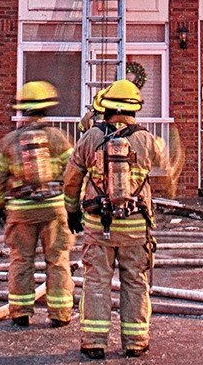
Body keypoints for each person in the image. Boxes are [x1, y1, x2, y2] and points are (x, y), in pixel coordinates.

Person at [62, 79, 163, 360]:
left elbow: (71, 179)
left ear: (106, 108)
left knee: (96, 282)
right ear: (134, 108)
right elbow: (166, 169)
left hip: (98, 225)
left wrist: (72, 210)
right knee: (135, 282)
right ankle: (136, 342)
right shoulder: (147, 140)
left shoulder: (91, 137)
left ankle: (94, 342)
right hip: (136, 226)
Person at [0, 80, 76, 329]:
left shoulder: (10, 141)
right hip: (53, 208)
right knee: (57, 260)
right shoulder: (58, 138)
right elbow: (73, 173)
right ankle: (60, 313)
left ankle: (20, 312)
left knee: (21, 260)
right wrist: (73, 206)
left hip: (21, 210)